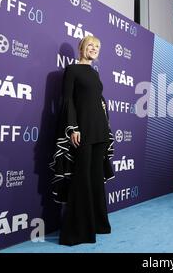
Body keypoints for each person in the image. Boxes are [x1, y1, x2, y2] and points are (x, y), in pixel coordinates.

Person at [49, 36, 115, 246]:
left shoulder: (94, 73)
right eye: (90, 46)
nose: (94, 49)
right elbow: (67, 100)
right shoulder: (72, 70)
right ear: (81, 48)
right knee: (82, 179)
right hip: (83, 130)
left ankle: (98, 224)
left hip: (100, 131)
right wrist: (72, 127)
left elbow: (97, 101)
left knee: (96, 178)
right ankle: (77, 233)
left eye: (97, 46)